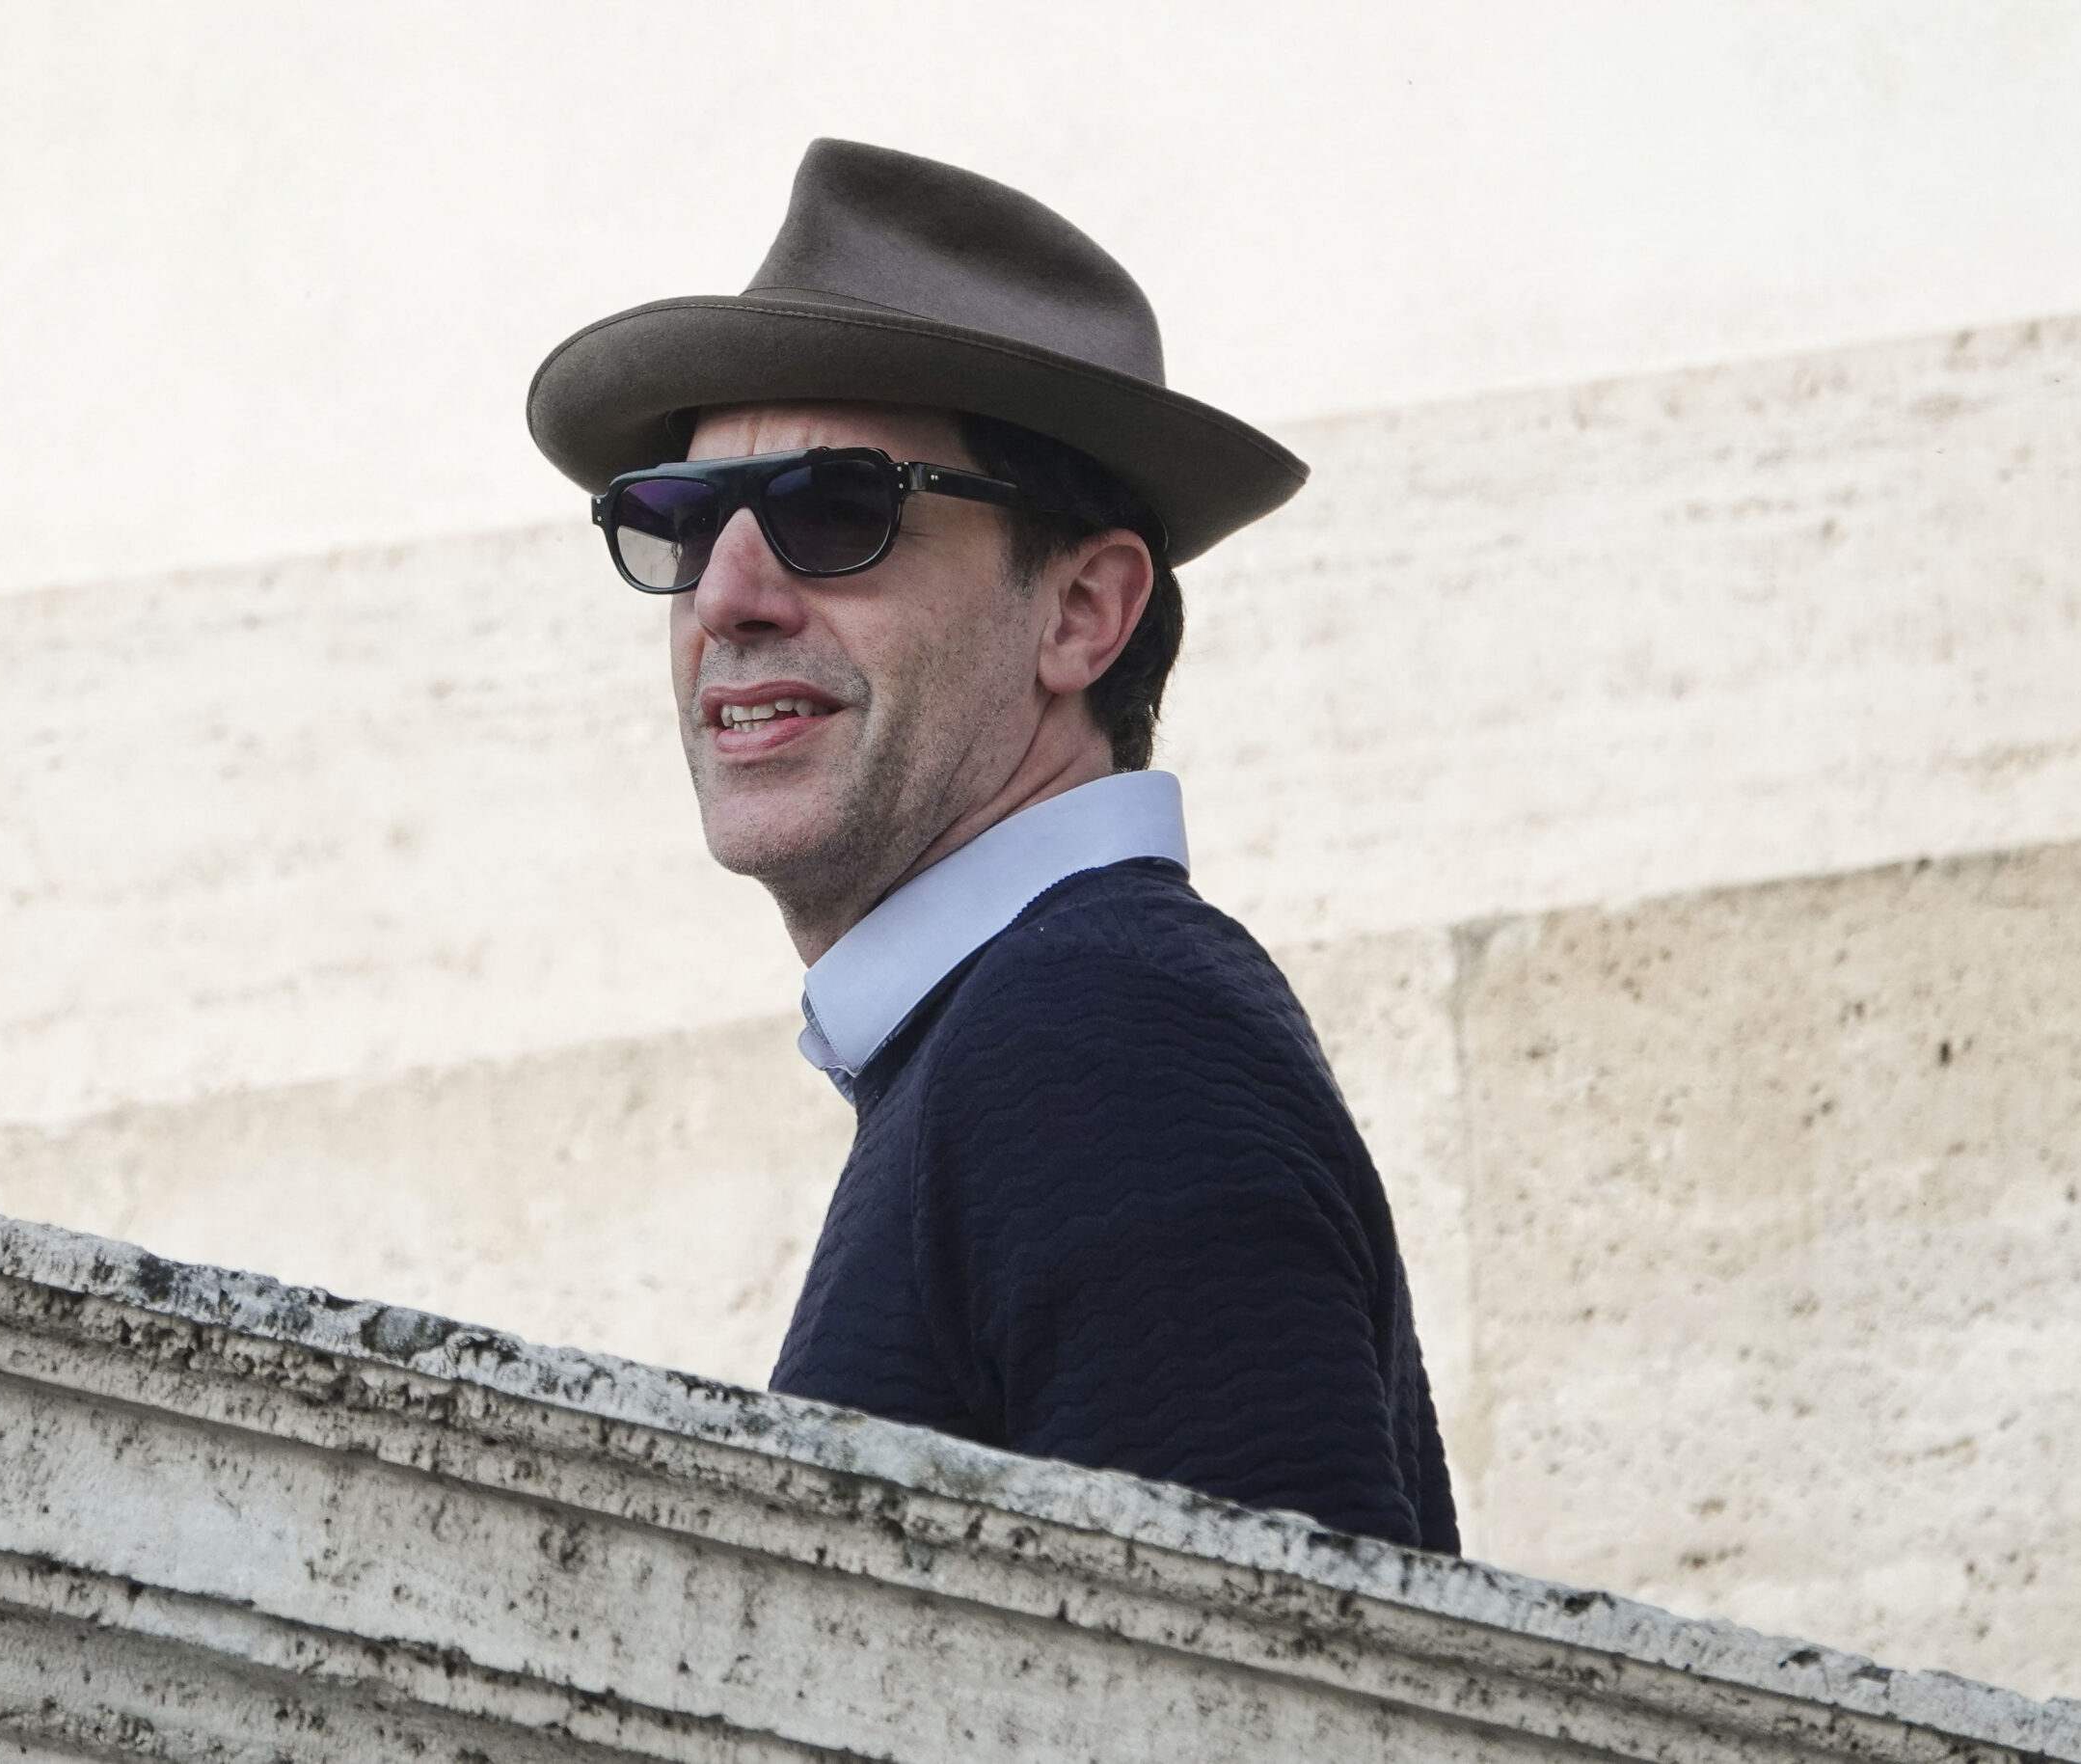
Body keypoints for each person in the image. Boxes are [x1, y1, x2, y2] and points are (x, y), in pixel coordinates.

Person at [529, 139, 1456, 1553]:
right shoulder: (1027, 1035)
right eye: (682, 514)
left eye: (836, 510)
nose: (724, 592)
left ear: (1084, 610)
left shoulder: (1097, 1041)